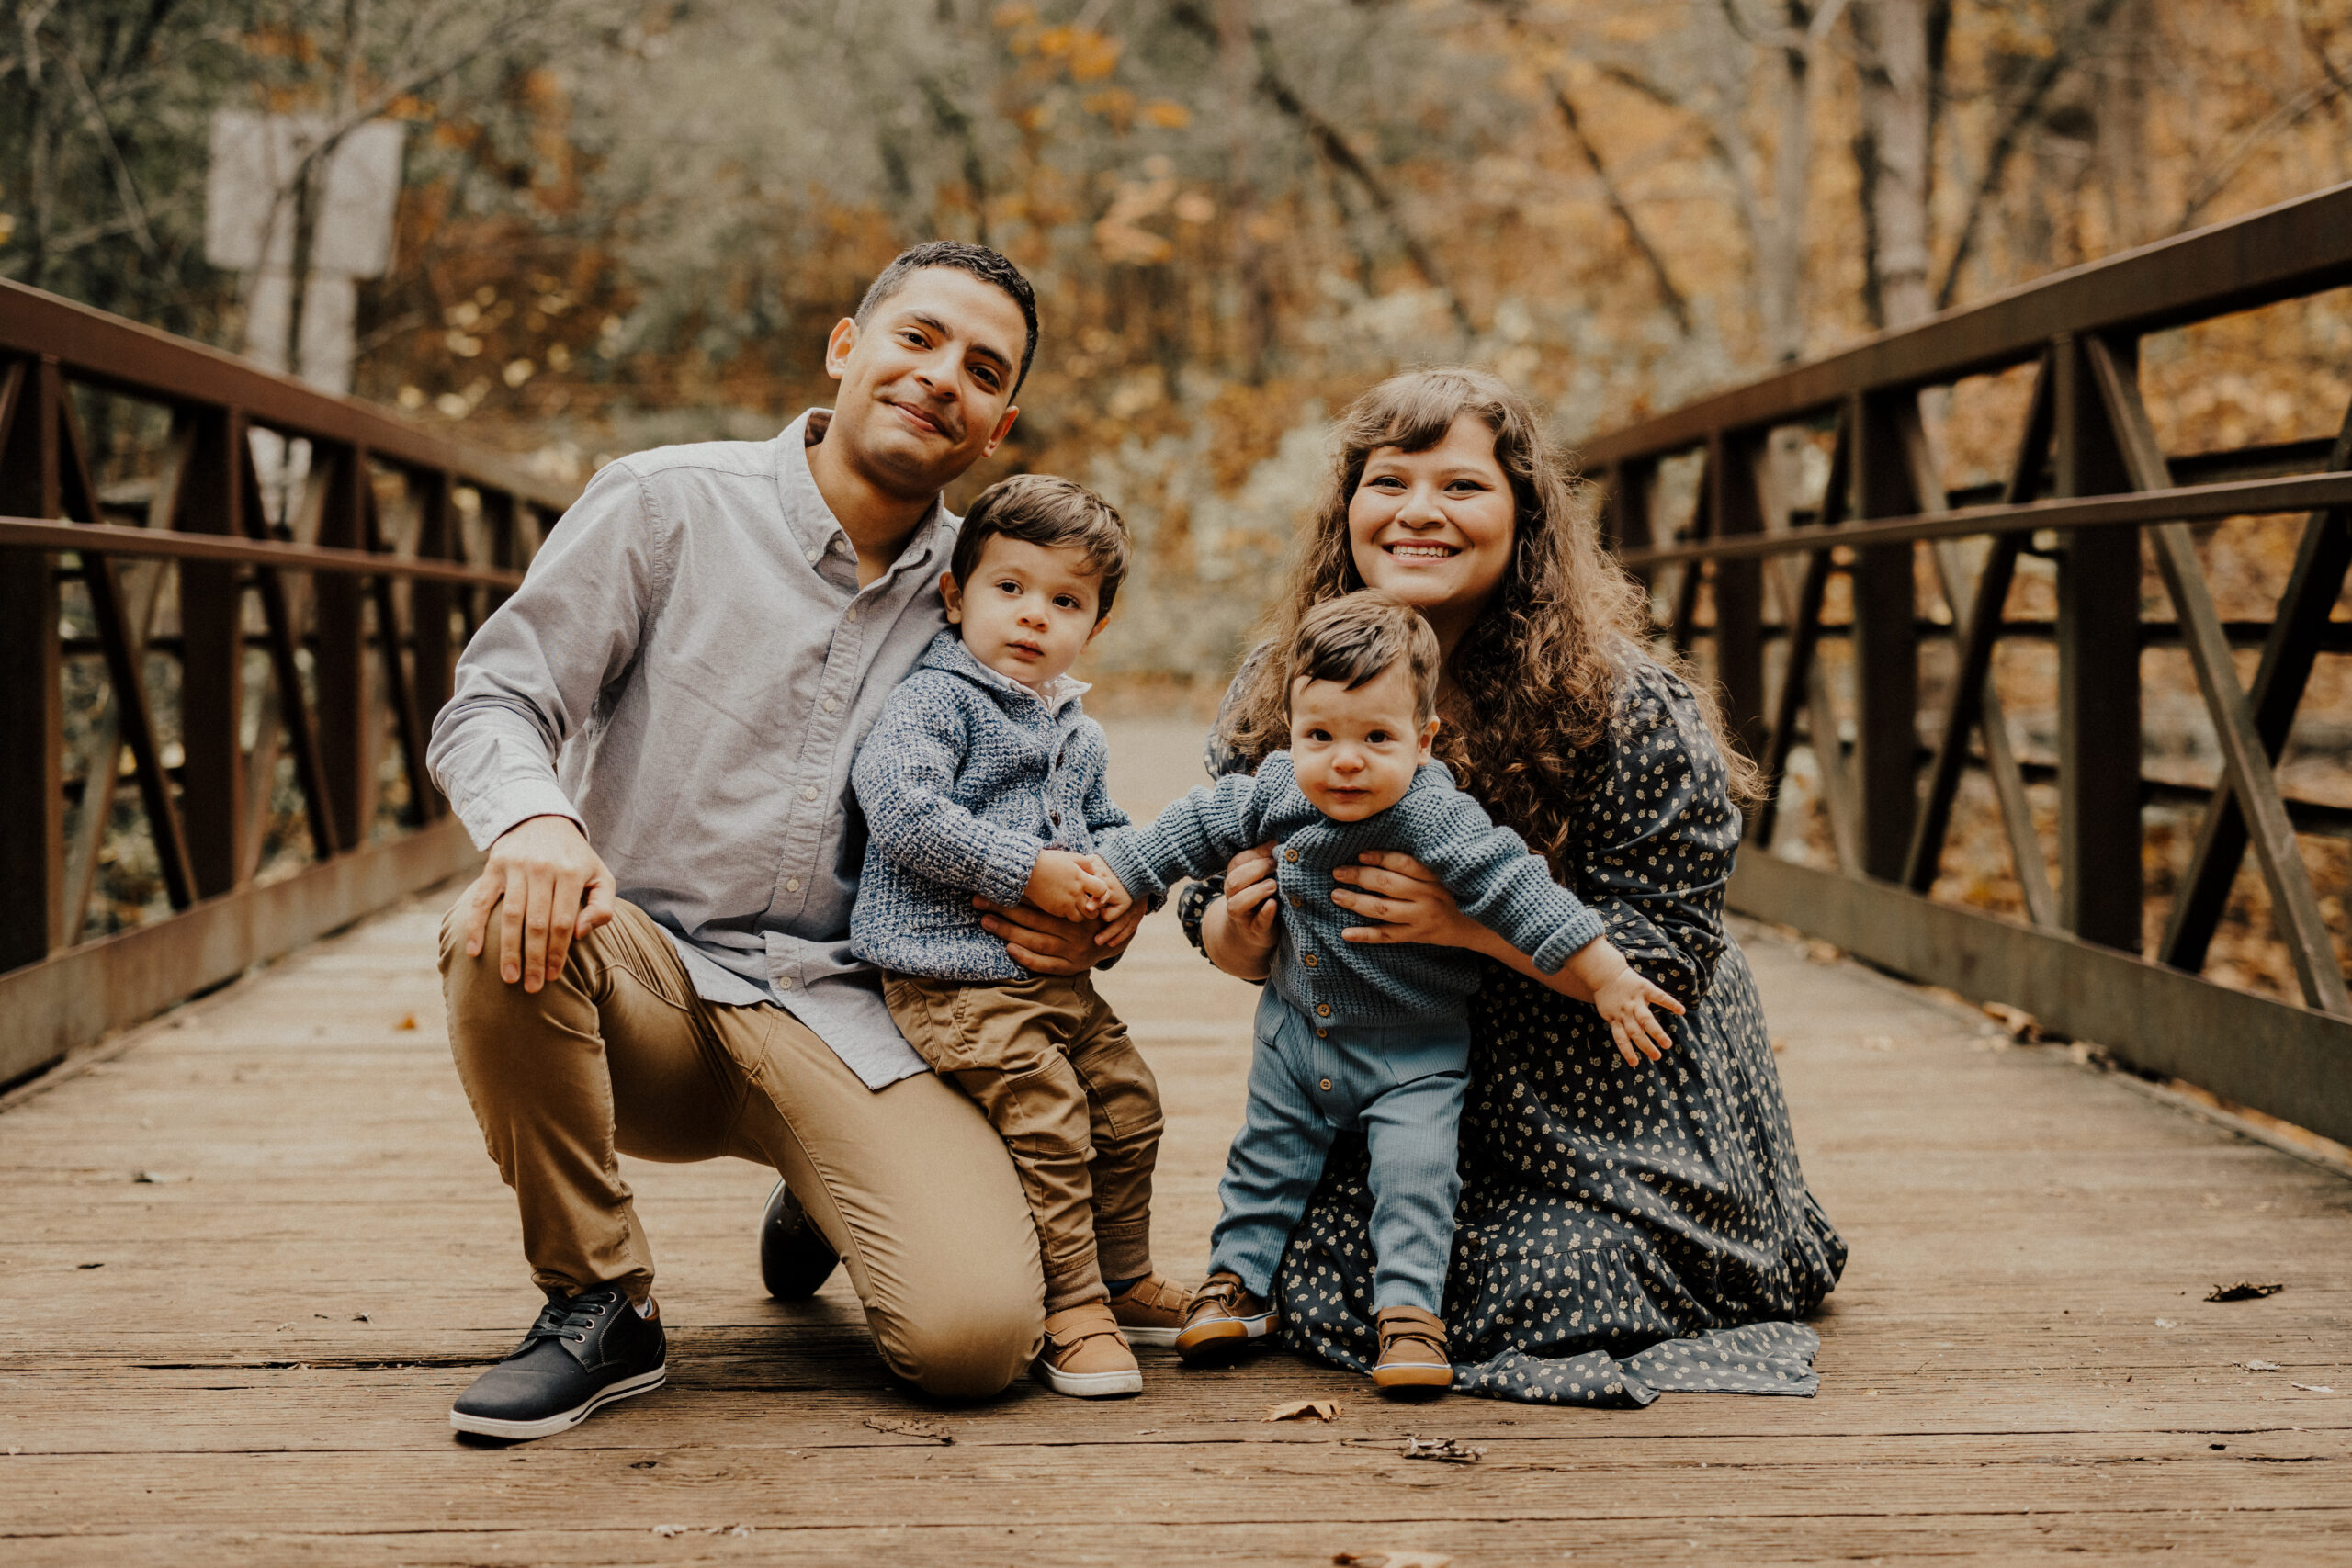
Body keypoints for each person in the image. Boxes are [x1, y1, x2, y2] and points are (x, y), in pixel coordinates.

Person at [427, 242, 1144, 1442]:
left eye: (980, 368)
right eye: (916, 337)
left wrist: (1107, 897)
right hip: (637, 986)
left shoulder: (986, 592)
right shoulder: (664, 500)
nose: (939, 377)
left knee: (974, 1341)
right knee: (497, 918)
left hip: (853, 1012)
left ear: (997, 422)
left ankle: (825, 1185)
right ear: (846, 346)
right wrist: (538, 820)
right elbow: (495, 698)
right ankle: (599, 1297)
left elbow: (1052, 791)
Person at [1182, 367, 1847, 1406]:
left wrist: (1470, 927)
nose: (1416, 514)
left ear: (1524, 513)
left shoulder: (1624, 701)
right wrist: (1232, 928)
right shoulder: (1290, 679)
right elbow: (1207, 865)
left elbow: (1667, 952)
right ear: (1346, 507)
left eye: (1460, 487)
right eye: (1387, 482)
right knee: (1309, 1269)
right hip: (1392, 1078)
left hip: (1608, 1105)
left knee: (1551, 1277)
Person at [1095, 592, 1684, 1395]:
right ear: (1292, 734)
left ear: (1423, 738)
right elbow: (1192, 825)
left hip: (1413, 1055)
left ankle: (1409, 1316)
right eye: (1321, 736)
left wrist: (1607, 975)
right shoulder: (1279, 790)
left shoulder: (1434, 816)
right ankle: (1235, 1284)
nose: (1345, 760)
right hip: (1294, 1040)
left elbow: (1521, 889)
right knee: (1263, 1164)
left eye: (1376, 737)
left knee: (1415, 1178)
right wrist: (1126, 874)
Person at [849, 473, 1190, 1401]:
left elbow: (1111, 824)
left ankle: (1121, 1278)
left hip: (1052, 987)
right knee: (1053, 1121)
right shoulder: (937, 702)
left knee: (1129, 1106)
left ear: (1096, 626)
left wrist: (1129, 882)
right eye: (1009, 589)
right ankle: (1071, 1306)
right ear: (957, 597)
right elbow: (900, 810)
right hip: (950, 985)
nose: (1034, 616)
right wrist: (1022, 870)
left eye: (1065, 601)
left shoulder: (1076, 730)